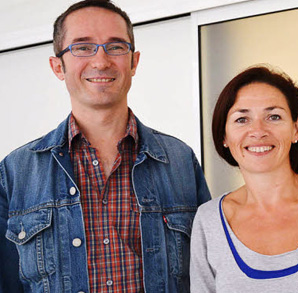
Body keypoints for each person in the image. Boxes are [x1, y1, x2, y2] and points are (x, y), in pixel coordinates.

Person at [0, 1, 211, 292]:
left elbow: (207, 276)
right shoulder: (16, 171)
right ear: (57, 66)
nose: (101, 61)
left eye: (115, 47)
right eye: (83, 47)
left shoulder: (179, 161)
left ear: (134, 62)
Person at [190, 65, 298, 292]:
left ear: (296, 128)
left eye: (273, 117)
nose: (258, 131)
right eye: (242, 119)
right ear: (224, 135)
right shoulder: (208, 221)